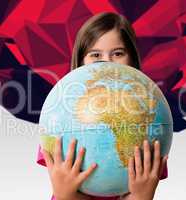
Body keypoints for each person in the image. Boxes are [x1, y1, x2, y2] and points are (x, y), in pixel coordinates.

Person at [37, 12, 168, 200]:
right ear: (81, 61)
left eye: (118, 53)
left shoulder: (150, 119)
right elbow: (66, 192)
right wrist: (64, 193)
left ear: (132, 59)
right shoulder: (60, 119)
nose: (106, 61)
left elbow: (138, 195)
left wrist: (142, 196)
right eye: (95, 55)